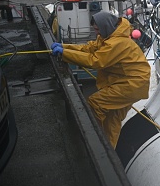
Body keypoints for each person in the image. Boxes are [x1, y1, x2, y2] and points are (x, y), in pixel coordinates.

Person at [51, 11, 150, 148]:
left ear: (105, 26)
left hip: (132, 84)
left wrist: (65, 54)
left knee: (95, 103)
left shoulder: (117, 42)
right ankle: (109, 149)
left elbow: (95, 61)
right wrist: (65, 47)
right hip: (129, 82)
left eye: (97, 29)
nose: (96, 33)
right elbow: (88, 48)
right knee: (112, 119)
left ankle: (92, 136)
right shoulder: (108, 36)